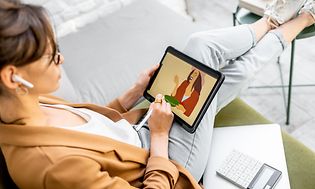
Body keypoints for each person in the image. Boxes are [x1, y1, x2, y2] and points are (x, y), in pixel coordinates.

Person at [0, 0, 314, 188]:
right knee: (202, 50)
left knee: (216, 69)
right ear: (13, 76)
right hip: (168, 164)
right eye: (51, 55)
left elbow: (92, 129)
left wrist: (131, 95)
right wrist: (161, 136)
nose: (61, 59)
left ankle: (276, 21)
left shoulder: (26, 103)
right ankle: (294, 19)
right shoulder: (52, 166)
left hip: (143, 131)